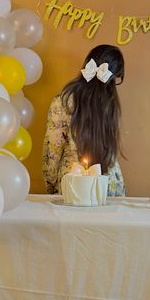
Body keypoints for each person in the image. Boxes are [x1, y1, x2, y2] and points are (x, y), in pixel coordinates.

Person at [42, 44, 126, 196]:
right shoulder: (110, 104)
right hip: (108, 185)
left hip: (73, 183)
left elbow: (52, 151)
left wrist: (51, 187)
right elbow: (111, 153)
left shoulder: (63, 100)